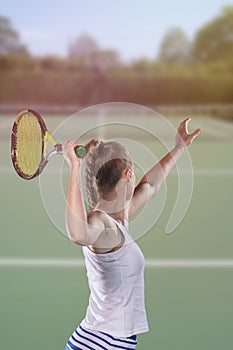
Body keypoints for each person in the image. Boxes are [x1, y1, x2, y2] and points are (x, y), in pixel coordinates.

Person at [62, 118, 201, 350]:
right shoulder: (102, 223)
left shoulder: (119, 217)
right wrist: (74, 169)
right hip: (100, 343)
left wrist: (179, 148)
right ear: (128, 174)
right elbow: (77, 234)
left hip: (110, 341)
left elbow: (151, 186)